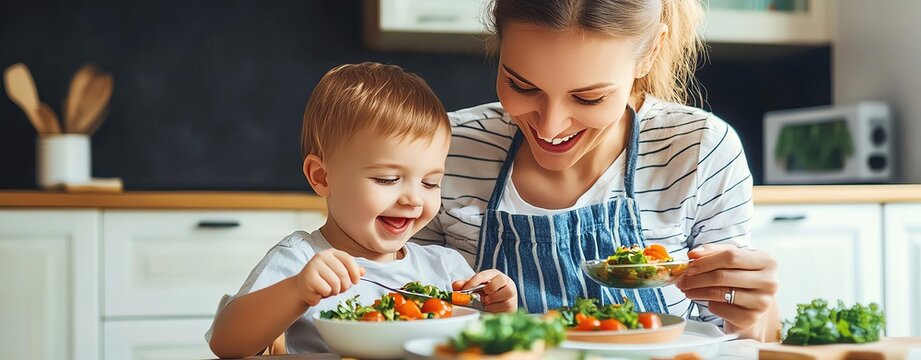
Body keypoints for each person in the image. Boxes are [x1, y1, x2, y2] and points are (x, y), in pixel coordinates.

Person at [412, 0, 780, 341]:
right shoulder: (446, 147)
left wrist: (752, 313)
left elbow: (745, 339)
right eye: (521, 86)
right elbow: (405, 307)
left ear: (649, 53)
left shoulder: (700, 148)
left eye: (589, 98)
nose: (551, 127)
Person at [207, 62, 518, 358]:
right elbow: (226, 343)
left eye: (431, 183)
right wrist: (296, 291)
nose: (413, 199)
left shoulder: (447, 270)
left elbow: (484, 345)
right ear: (322, 177)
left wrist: (497, 311)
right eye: (388, 179)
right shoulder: (302, 260)